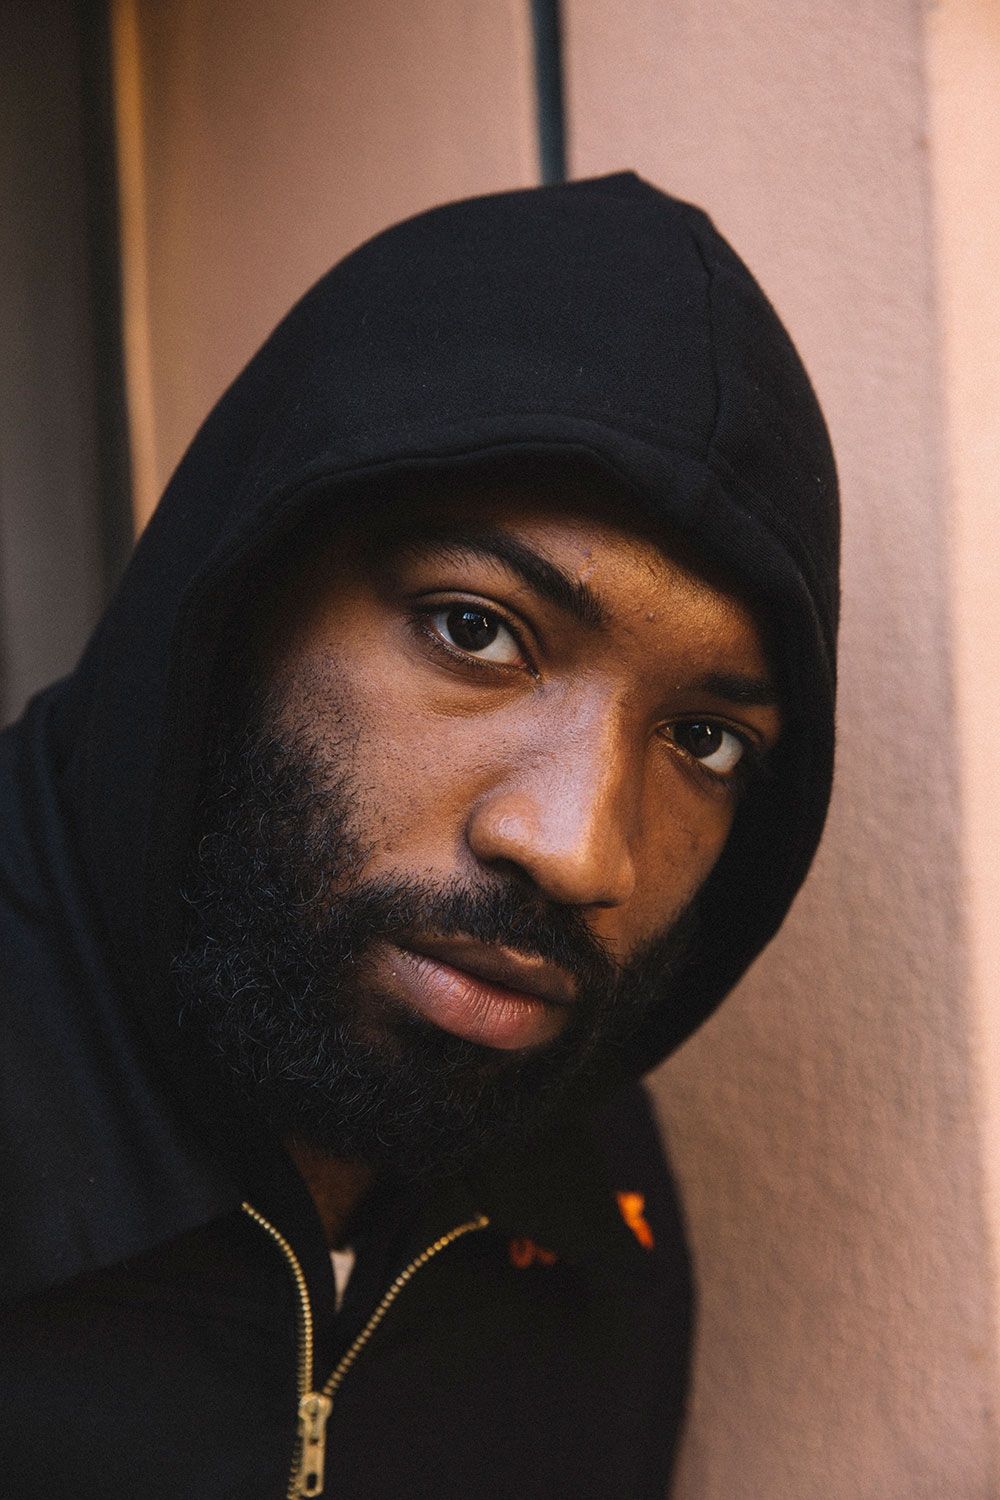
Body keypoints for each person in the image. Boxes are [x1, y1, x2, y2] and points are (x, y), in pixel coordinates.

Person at [0, 173, 838, 1498]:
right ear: (239, 597)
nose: (580, 852)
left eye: (704, 740)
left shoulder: (589, 1194)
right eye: (477, 630)